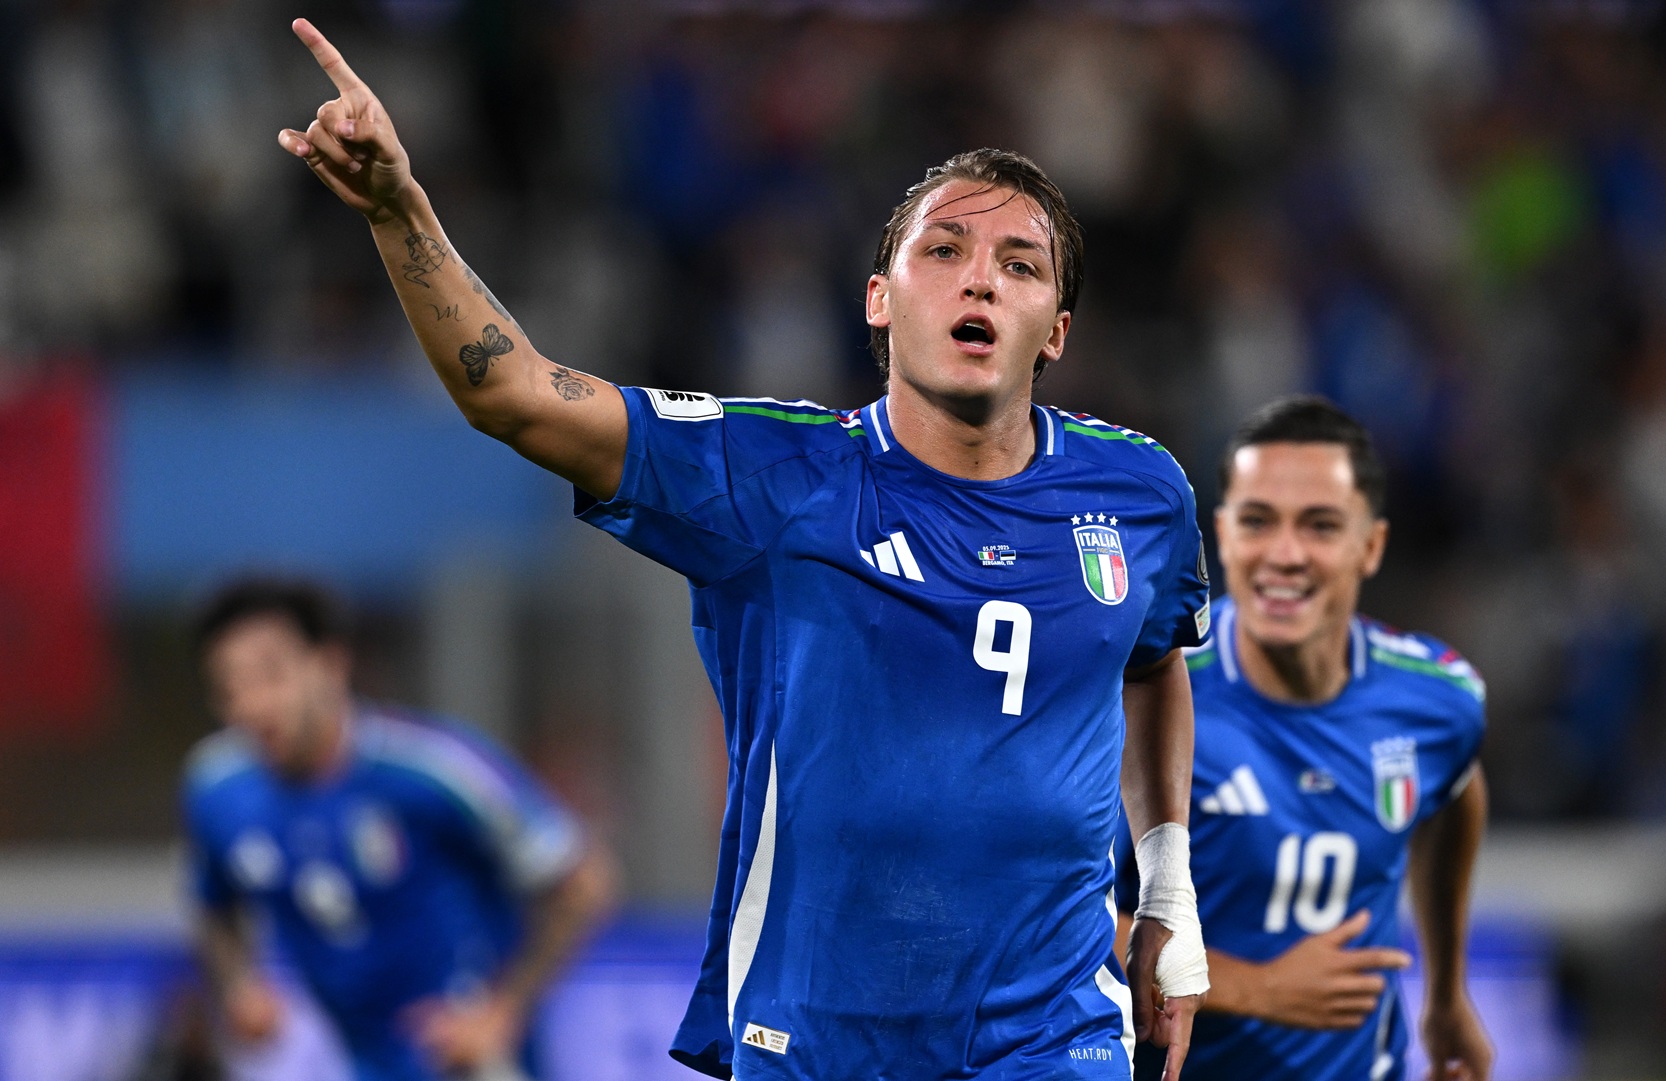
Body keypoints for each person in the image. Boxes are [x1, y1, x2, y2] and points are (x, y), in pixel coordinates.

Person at [273, 18, 1211, 1081]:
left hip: (1053, 1030)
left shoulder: (1139, 494)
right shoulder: (776, 477)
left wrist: (1168, 895)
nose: (979, 280)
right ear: (880, 301)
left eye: (1020, 264)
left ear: (1056, 329)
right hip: (819, 1034)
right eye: (941, 251)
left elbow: (1152, 661)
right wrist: (402, 211)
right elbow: (514, 393)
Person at [1118, 397, 1493, 1080]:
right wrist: (1262, 987)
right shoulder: (1152, 696)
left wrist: (1445, 992)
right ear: (1223, 535)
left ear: (1370, 545)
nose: (1284, 555)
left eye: (1320, 525)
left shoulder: (1438, 700)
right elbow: (1060, 913)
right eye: (1259, 522)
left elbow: (1457, 788)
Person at [182, 578, 616, 1081]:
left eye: (270, 676)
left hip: (464, 1064)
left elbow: (584, 881)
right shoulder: (216, 788)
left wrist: (502, 1011)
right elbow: (213, 902)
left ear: (330, 664)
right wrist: (239, 984)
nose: (252, 705)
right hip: (353, 1061)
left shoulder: (432, 770)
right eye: (230, 687)